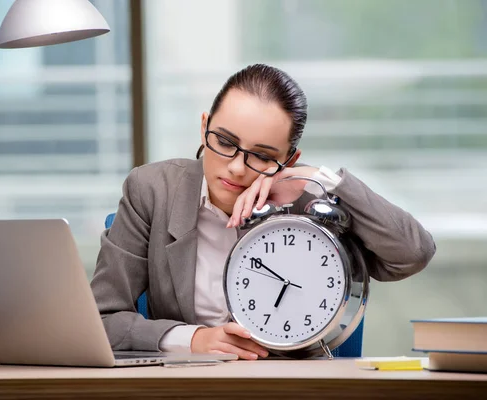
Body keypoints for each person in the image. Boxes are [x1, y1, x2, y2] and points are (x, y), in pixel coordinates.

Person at [91, 63, 436, 361]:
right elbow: (101, 319)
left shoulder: (312, 208)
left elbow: (413, 253)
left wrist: (317, 179)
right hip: (190, 387)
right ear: (204, 127)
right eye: (224, 142)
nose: (237, 168)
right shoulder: (153, 190)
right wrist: (192, 339)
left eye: (262, 156)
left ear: (289, 161)